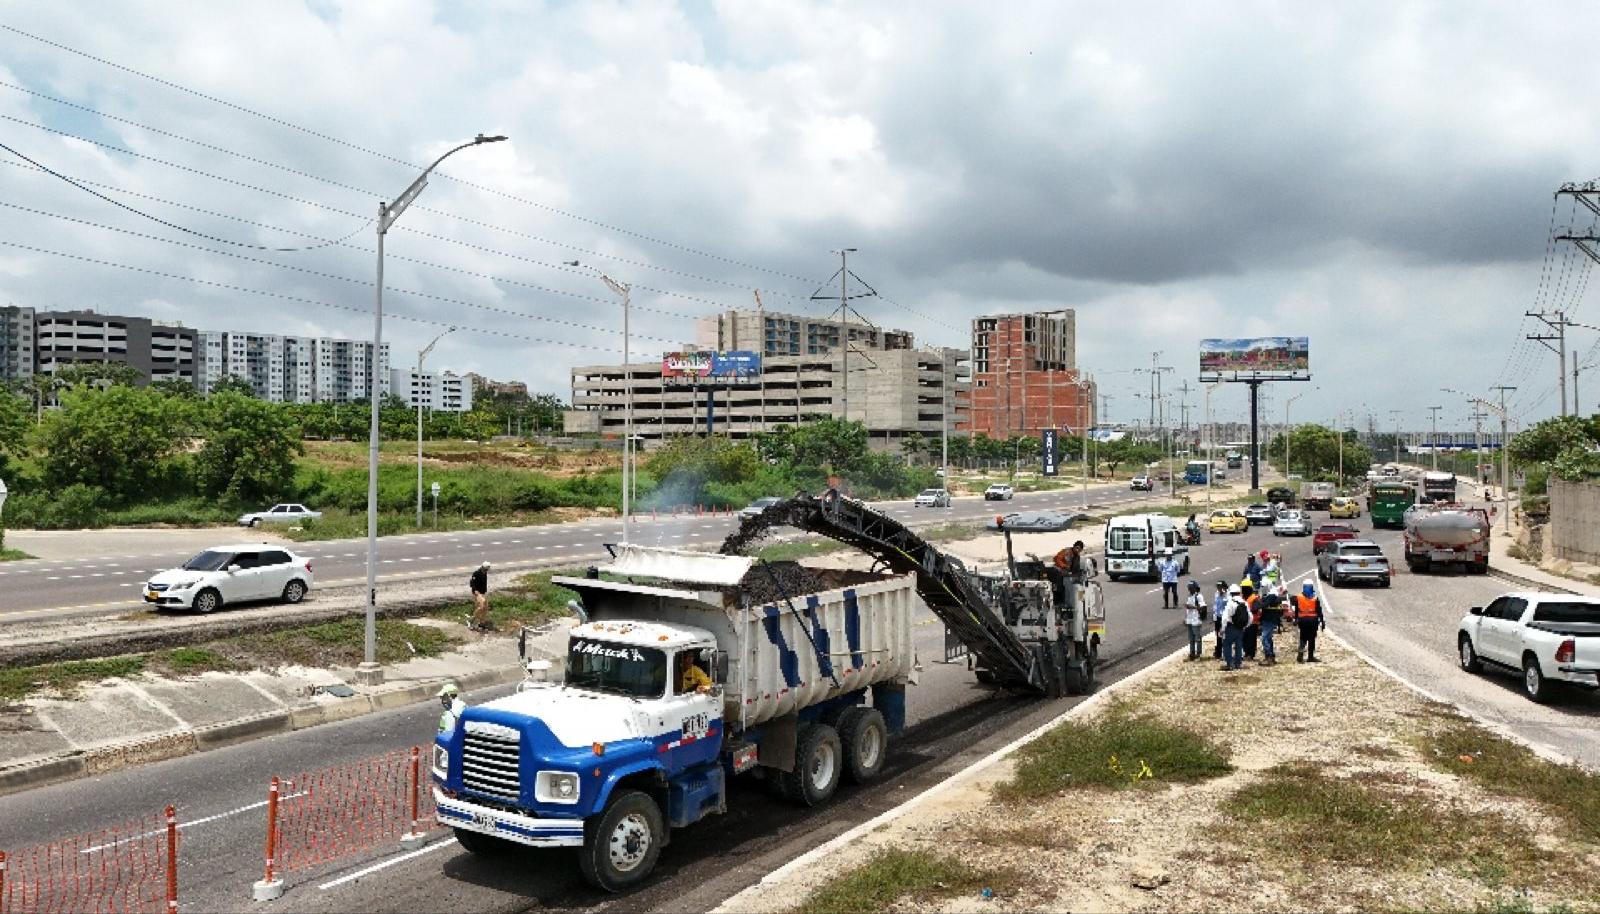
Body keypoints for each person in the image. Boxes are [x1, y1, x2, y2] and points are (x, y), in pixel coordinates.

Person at [1293, 583, 1326, 662]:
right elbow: (1319, 611)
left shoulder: (1299, 597)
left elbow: (1297, 610)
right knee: (1312, 638)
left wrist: (1296, 619)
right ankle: (1310, 657)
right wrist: (1322, 621)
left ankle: (1301, 650)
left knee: (1303, 636)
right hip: (1312, 620)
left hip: (1302, 620)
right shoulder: (1315, 597)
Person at [1219, 584, 1249, 672]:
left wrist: (1223, 629)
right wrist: (1245, 626)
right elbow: (1249, 616)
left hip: (1231, 627)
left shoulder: (1231, 603)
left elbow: (1225, 617)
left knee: (1227, 644)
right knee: (1239, 645)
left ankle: (1230, 664)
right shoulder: (1244, 603)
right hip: (1240, 628)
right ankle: (1238, 663)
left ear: (1231, 593)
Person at [1259, 590, 1285, 665]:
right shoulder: (1277, 601)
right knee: (1268, 638)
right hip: (1272, 621)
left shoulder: (1270, 599)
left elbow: (1262, 606)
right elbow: (1281, 613)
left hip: (1268, 621)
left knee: (1264, 638)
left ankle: (1269, 656)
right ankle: (1271, 656)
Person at [1182, 580, 1207, 660]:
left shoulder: (1199, 596)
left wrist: (1192, 607)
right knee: (1191, 638)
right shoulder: (1189, 596)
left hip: (1196, 619)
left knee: (1197, 638)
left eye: (1191, 588)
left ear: (1195, 588)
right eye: (1189, 588)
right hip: (1190, 619)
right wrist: (1185, 618)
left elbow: (1202, 607)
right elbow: (1187, 610)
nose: (1189, 589)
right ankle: (1192, 653)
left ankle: (1198, 653)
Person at [1240, 580, 1261, 661]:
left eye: (1244, 588)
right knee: (1244, 639)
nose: (1242, 590)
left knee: (1251, 639)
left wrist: (1248, 610)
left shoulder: (1254, 598)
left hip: (1253, 622)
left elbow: (1256, 609)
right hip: (1245, 622)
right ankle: (1246, 653)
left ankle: (1251, 654)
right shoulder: (1243, 598)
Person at [469, 560, 491, 631]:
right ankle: (472, 619)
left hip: (483, 593)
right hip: (477, 593)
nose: (487, 570)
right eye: (486, 568)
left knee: (486, 608)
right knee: (481, 607)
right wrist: (475, 591)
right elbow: (472, 583)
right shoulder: (476, 573)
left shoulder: (485, 573)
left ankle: (482, 622)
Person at [1211, 581, 1229, 659]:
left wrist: (1223, 595)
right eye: (1218, 587)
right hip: (1217, 617)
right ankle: (1218, 652)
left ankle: (1225, 652)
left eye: (1220, 587)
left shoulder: (1228, 595)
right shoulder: (1216, 594)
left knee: (1224, 635)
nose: (1219, 588)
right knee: (1218, 635)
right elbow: (1215, 605)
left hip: (1224, 618)